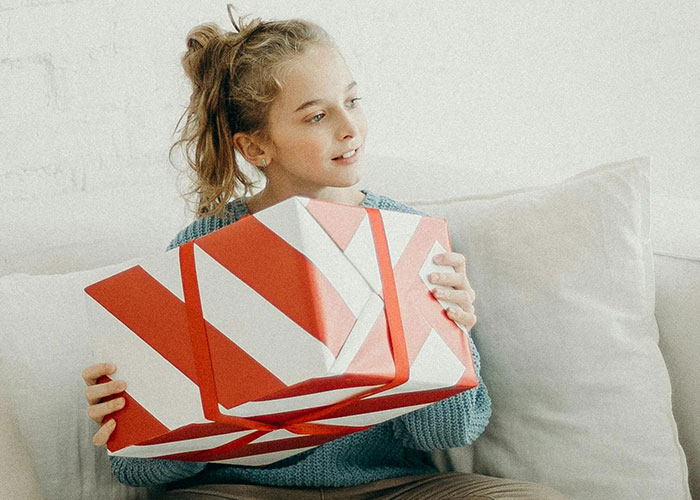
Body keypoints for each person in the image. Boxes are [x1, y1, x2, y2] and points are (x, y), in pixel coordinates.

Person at [81, 6, 568, 499]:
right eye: (317, 115)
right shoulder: (199, 249)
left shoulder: (406, 236)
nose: (348, 126)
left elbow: (446, 435)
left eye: (352, 101)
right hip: (241, 491)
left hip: (389, 484)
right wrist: (140, 419)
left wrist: (447, 339)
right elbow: (140, 475)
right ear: (255, 148)